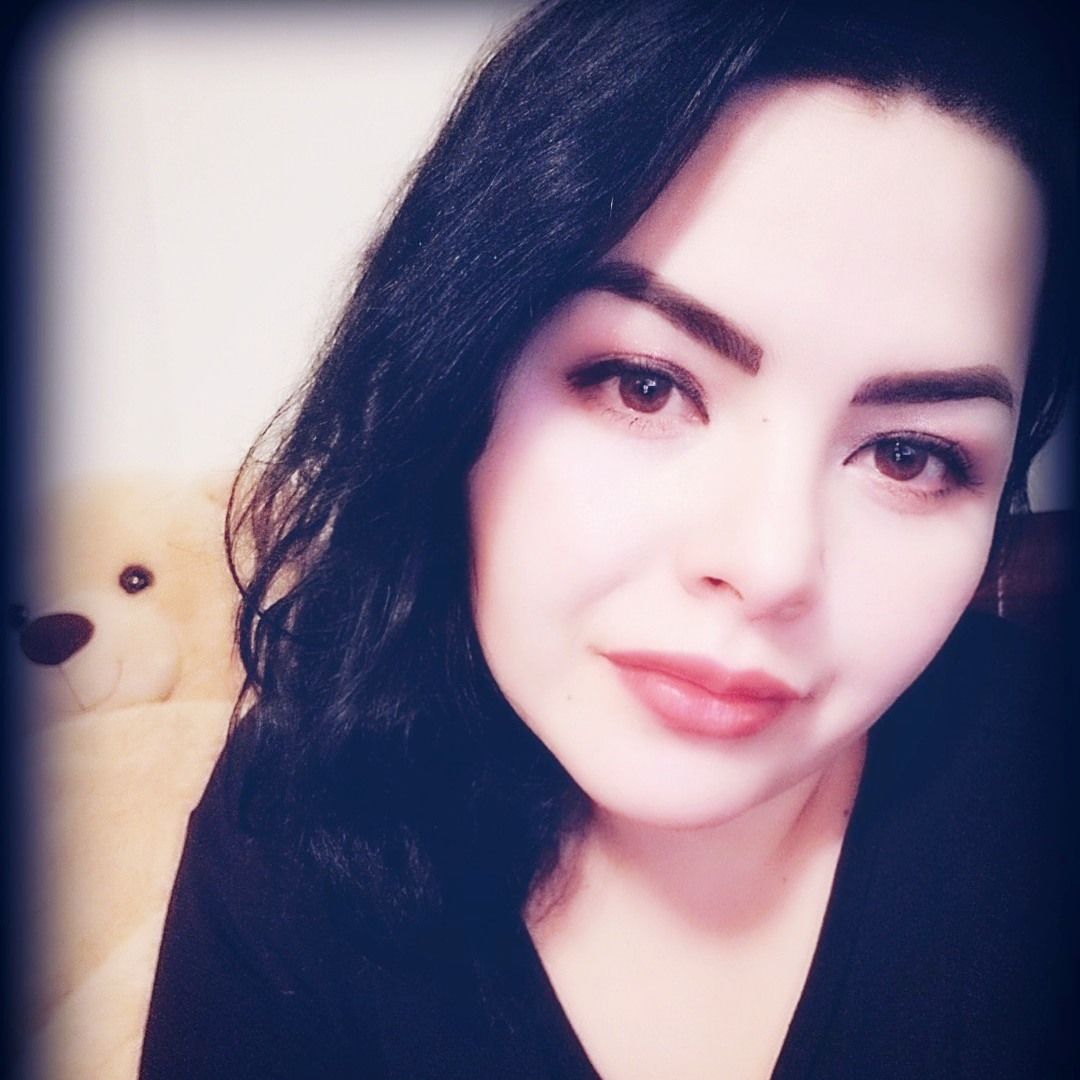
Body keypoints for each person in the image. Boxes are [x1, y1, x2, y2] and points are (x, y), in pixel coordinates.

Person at [139, 1, 1076, 1077]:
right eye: (646, 386)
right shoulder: (292, 823)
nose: (769, 565)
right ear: (457, 376)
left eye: (909, 456)